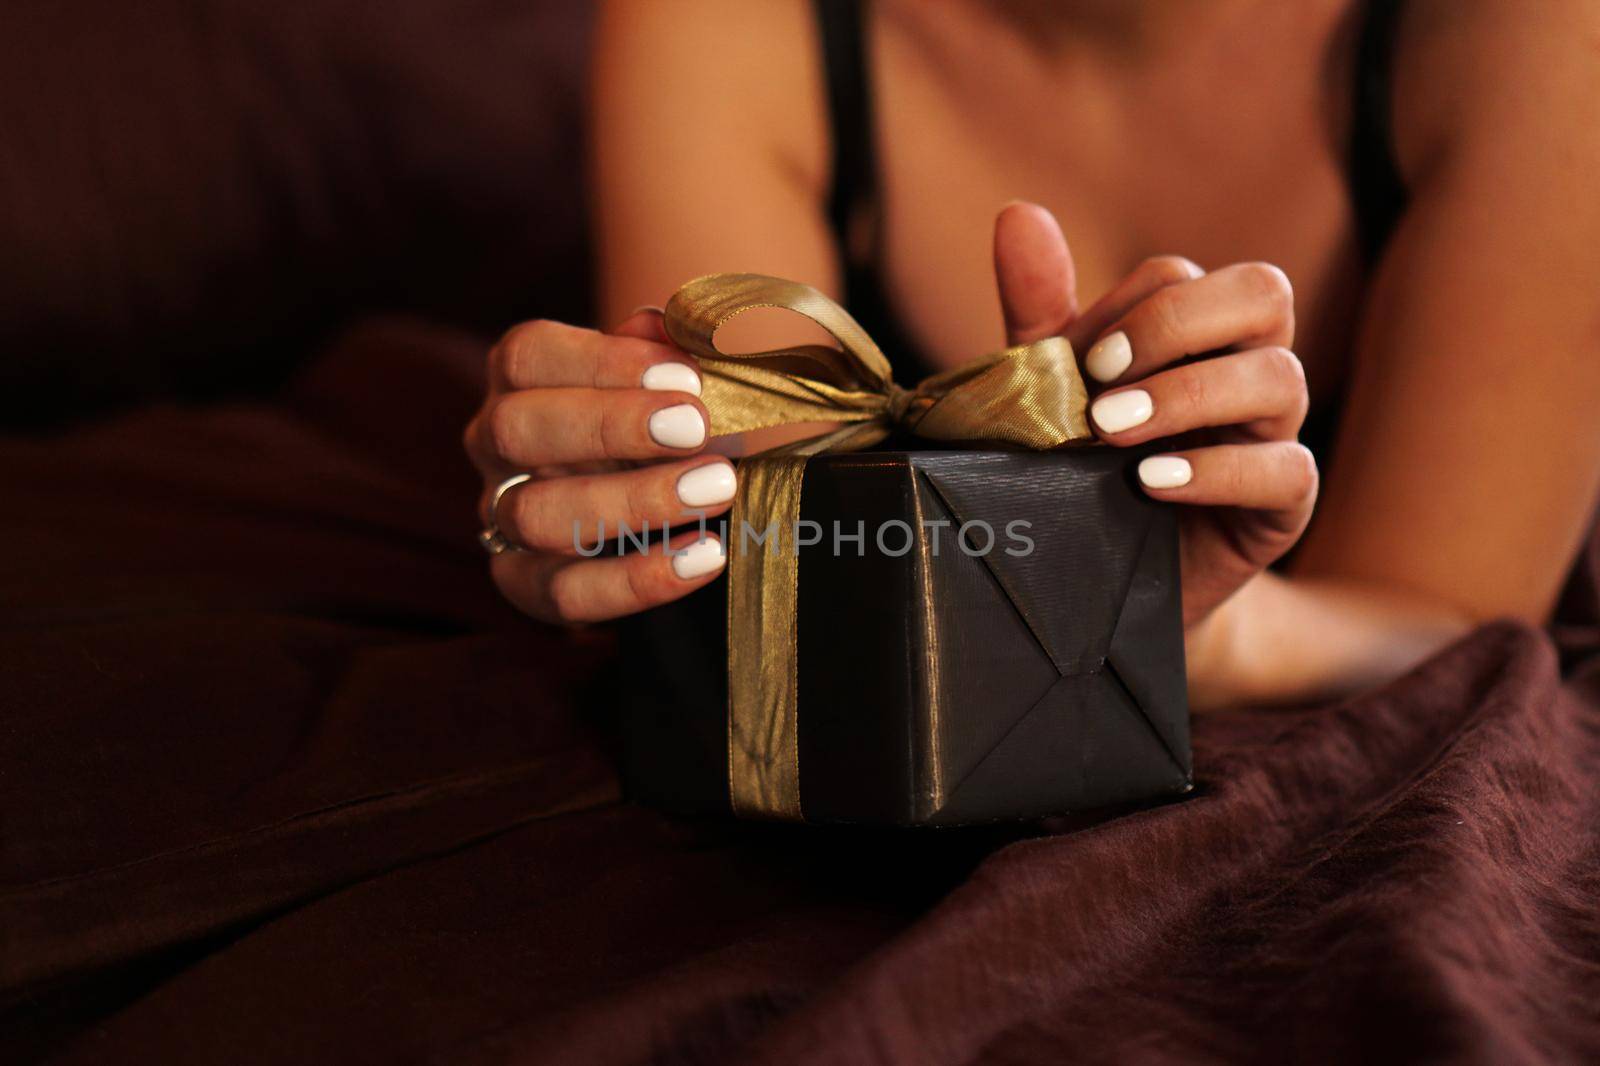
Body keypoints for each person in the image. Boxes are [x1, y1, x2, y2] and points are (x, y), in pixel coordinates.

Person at [463, 0, 1600, 709]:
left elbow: (1448, 623)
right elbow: (779, 582)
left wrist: (1212, 637)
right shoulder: (737, 22)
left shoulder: (1541, 37)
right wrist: (613, 519)